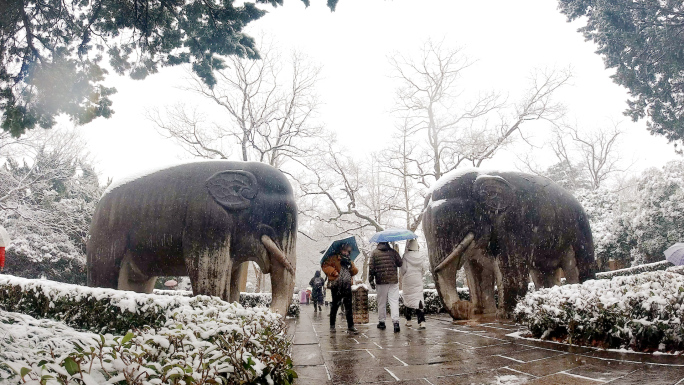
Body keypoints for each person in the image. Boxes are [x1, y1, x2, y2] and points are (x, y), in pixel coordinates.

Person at [322, 243, 359, 334]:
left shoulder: (349, 261)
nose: (346, 252)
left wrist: (351, 267)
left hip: (347, 285)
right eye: (344, 250)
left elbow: (355, 271)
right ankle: (332, 326)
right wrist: (334, 272)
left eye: (347, 251)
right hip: (336, 285)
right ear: (340, 250)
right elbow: (325, 266)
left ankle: (351, 326)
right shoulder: (334, 258)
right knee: (335, 306)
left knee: (348, 307)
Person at [369, 241, 403, 333]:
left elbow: (371, 268)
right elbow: (400, 263)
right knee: (394, 302)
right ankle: (396, 323)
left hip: (381, 281)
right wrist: (395, 254)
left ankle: (382, 322)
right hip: (393, 281)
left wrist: (371, 280)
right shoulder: (392, 252)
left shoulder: (374, 253)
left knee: (381, 302)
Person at [401, 239, 426, 329]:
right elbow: (423, 269)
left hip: (408, 280)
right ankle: (422, 321)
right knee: (418, 300)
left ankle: (408, 320)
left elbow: (403, 269)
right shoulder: (421, 257)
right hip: (417, 279)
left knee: (408, 299)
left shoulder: (405, 256)